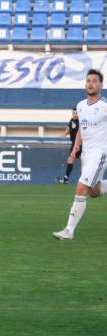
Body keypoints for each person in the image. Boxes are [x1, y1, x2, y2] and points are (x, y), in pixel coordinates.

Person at [53, 69, 107, 240]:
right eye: (88, 80)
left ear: (101, 85)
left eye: (94, 81)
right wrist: (75, 148)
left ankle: (69, 230)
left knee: (81, 187)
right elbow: (80, 131)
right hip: (87, 154)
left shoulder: (105, 106)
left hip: (100, 153)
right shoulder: (80, 105)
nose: (90, 83)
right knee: (94, 192)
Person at [57, 108, 81, 184]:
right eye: (73, 113)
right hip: (73, 144)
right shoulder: (71, 120)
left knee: (72, 159)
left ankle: (66, 179)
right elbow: (68, 130)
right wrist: (63, 134)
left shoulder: (80, 122)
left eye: (76, 113)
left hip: (79, 144)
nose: (75, 115)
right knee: (73, 160)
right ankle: (66, 179)